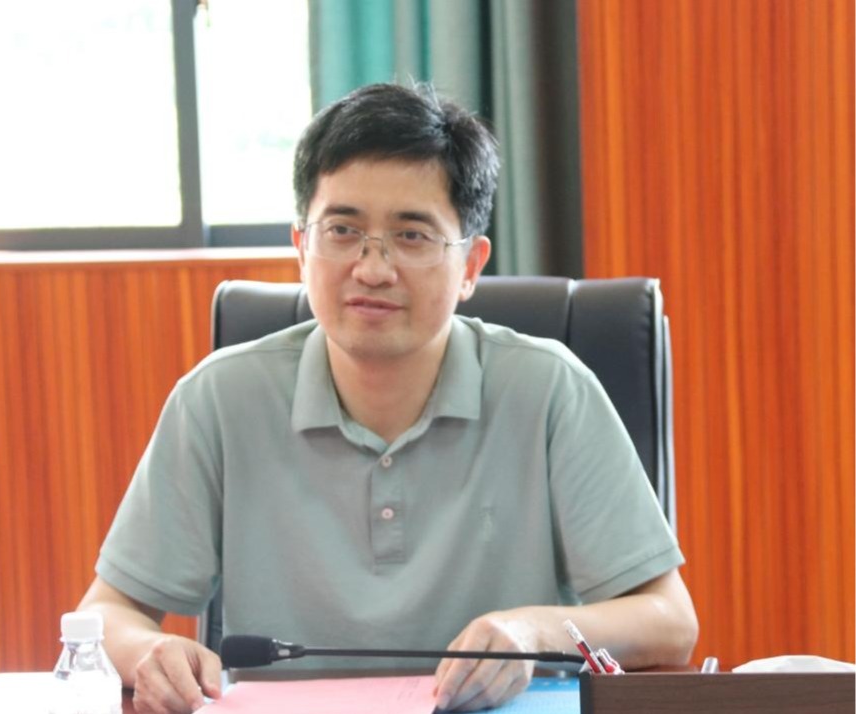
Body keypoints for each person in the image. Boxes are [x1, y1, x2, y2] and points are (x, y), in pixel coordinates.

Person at [79, 83, 698, 714]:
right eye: (342, 230)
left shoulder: (550, 391)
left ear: (471, 266)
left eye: (412, 236)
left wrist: (531, 632)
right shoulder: (218, 399)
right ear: (301, 248)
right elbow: (107, 613)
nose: (372, 269)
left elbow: (670, 620)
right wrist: (152, 651)